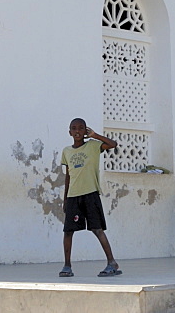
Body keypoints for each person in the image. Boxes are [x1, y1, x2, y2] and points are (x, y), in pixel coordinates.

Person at [58, 118, 121, 277]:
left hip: (90, 194)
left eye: (81, 128)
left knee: (97, 229)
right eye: (74, 128)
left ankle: (112, 262)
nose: (77, 131)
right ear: (70, 132)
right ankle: (67, 266)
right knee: (68, 231)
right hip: (73, 196)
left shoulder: (93, 146)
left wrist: (96, 135)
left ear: (86, 130)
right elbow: (68, 176)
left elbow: (113, 144)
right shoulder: (66, 151)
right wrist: (65, 199)